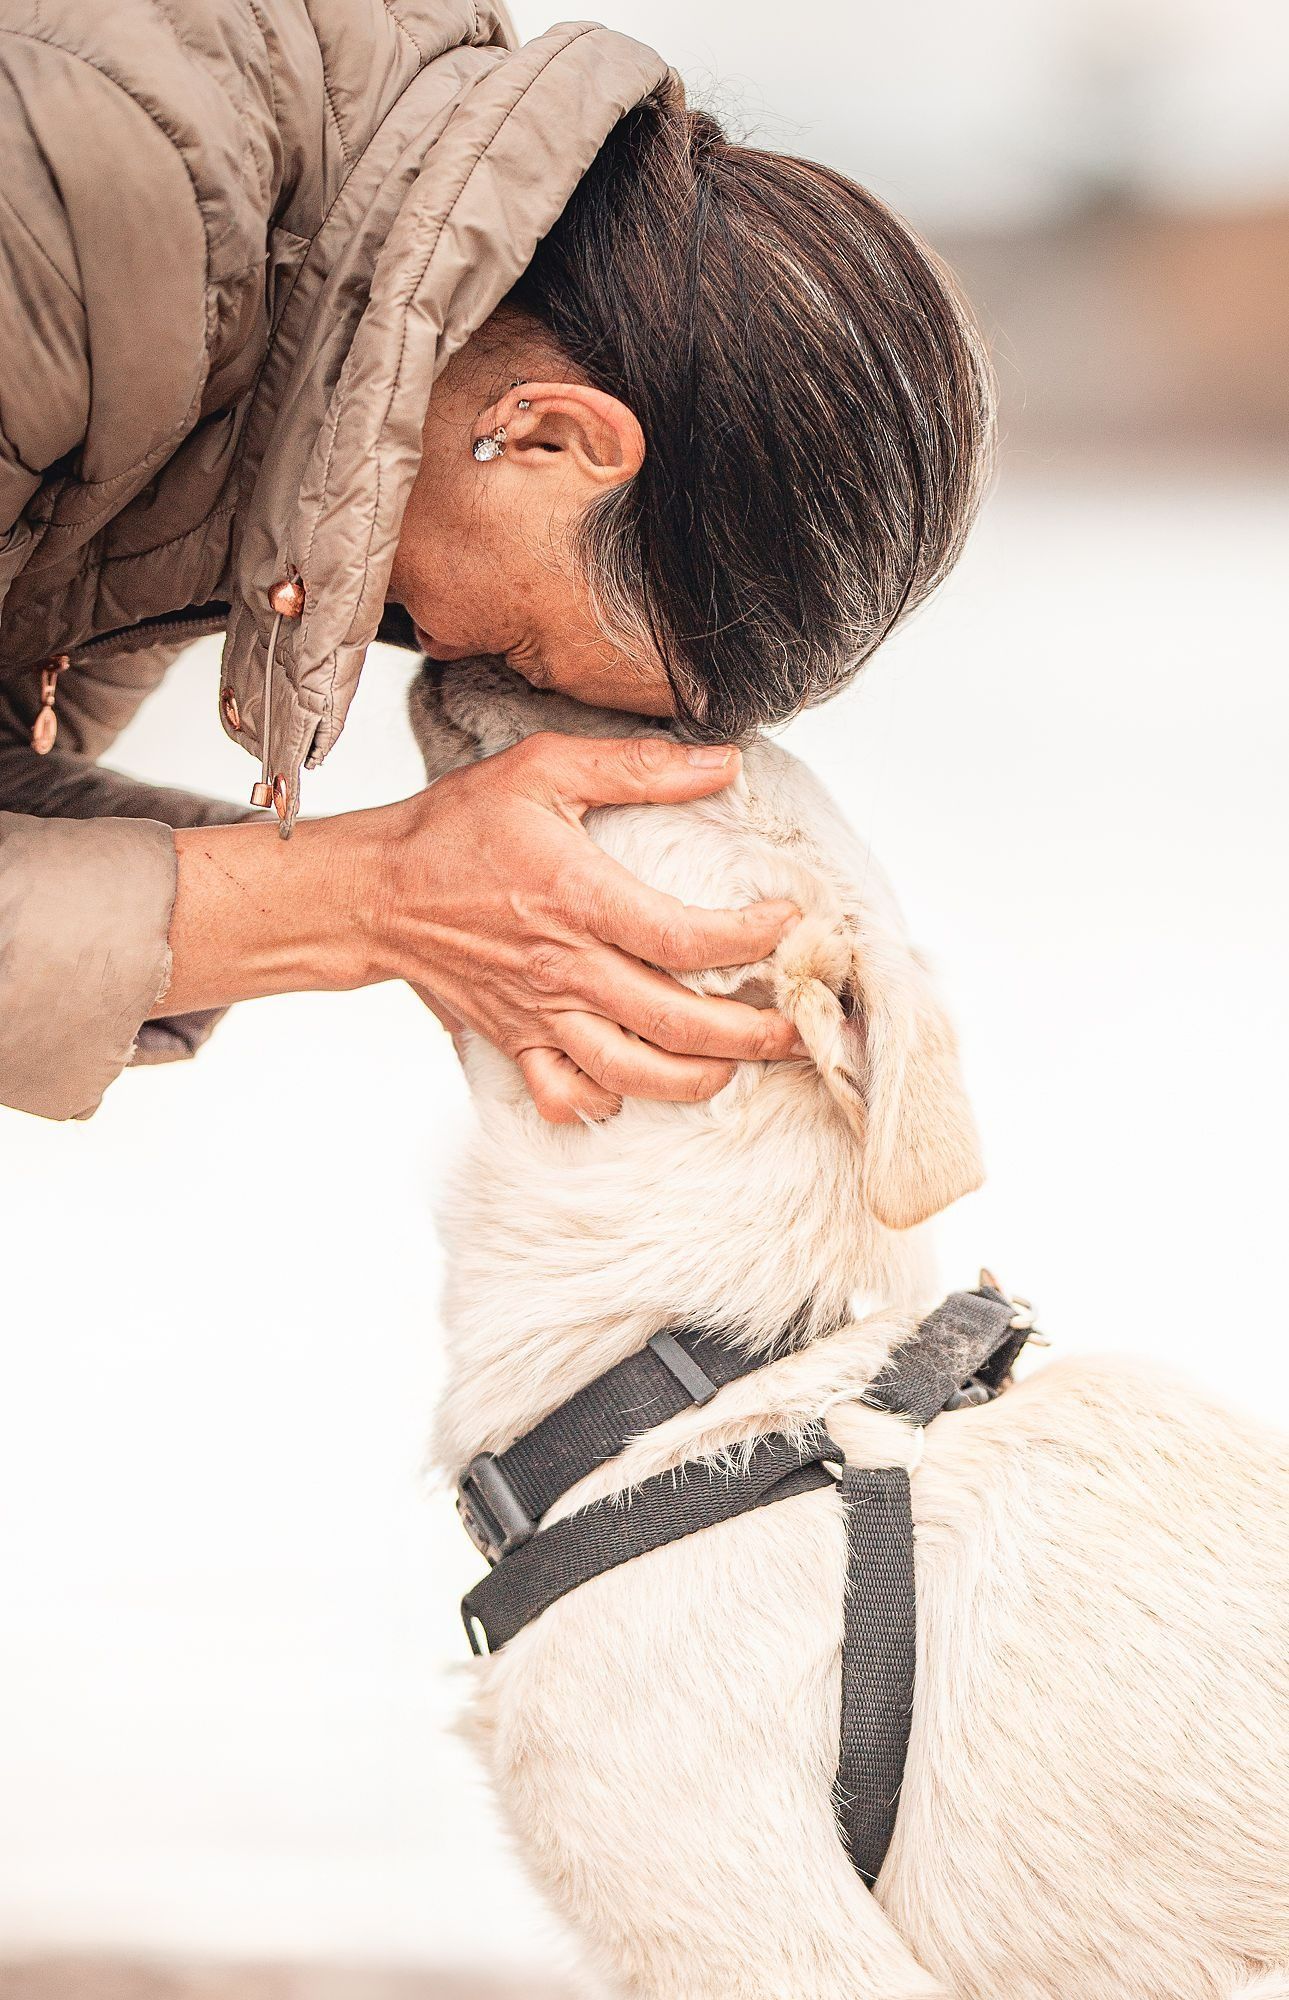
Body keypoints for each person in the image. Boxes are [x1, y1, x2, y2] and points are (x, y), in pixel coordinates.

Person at [0, 0, 994, 1127]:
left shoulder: (250, 442)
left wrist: (349, 900)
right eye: (525, 647)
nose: (445, 656)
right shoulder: (89, 199)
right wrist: (369, 893)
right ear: (550, 437)